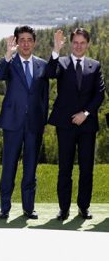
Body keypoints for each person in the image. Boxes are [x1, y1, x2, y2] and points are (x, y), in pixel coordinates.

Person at [47, 28, 105, 220]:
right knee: (65, 168)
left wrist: (85, 113)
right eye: (75, 43)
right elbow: (49, 73)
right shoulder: (61, 63)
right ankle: (64, 209)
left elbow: (99, 94)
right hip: (65, 125)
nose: (79, 46)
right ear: (71, 44)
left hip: (87, 126)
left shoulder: (95, 66)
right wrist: (55, 50)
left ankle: (83, 207)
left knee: (86, 169)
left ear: (88, 44)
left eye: (82, 43)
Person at [0, 26, 49, 220]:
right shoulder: (10, 63)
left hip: (34, 124)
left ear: (34, 42)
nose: (26, 43)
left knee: (30, 168)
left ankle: (28, 208)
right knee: (9, 166)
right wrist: (7, 54)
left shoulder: (42, 65)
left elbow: (45, 96)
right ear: (17, 42)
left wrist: (43, 120)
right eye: (22, 40)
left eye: (29, 40)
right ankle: (5, 208)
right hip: (12, 123)